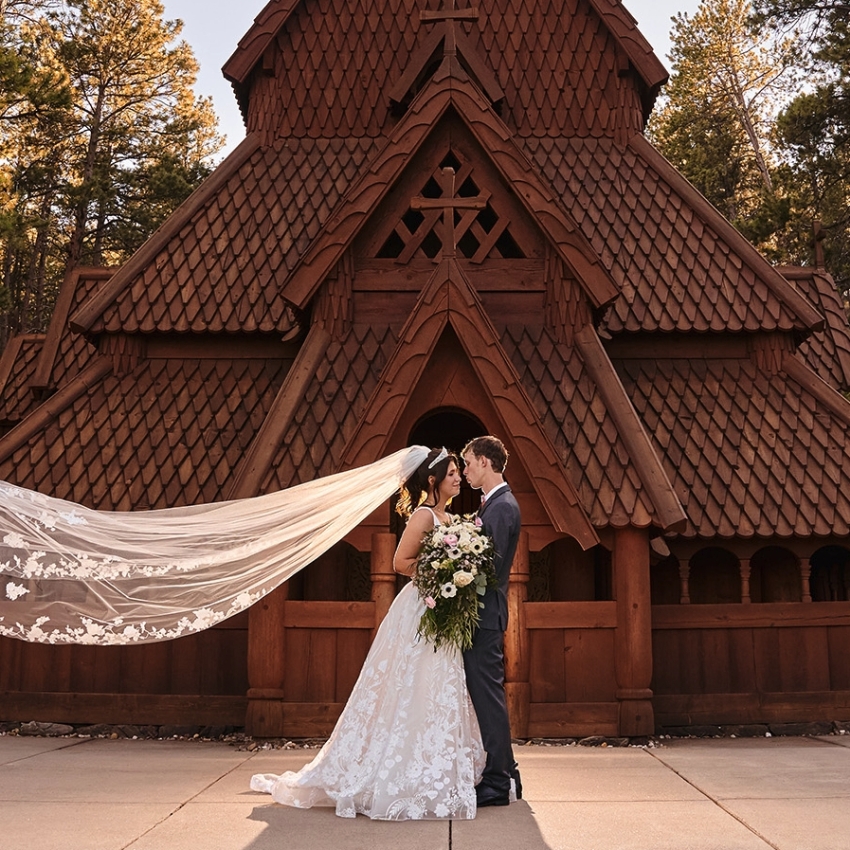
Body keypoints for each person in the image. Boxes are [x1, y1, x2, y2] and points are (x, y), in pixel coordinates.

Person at [250, 447, 486, 820]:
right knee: (410, 685)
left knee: (437, 686)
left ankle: (433, 764)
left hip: (443, 610)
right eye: (452, 473)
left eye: (459, 472)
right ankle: (391, 770)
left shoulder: (450, 516)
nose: (458, 478)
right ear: (432, 480)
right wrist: (440, 575)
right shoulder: (424, 516)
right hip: (420, 609)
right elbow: (399, 562)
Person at [461, 435, 522, 808]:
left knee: (489, 700)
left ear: (485, 462)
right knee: (488, 697)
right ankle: (509, 773)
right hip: (484, 616)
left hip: (484, 617)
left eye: (468, 463)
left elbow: (488, 567)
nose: (465, 470)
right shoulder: (495, 504)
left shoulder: (501, 508)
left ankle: (498, 782)